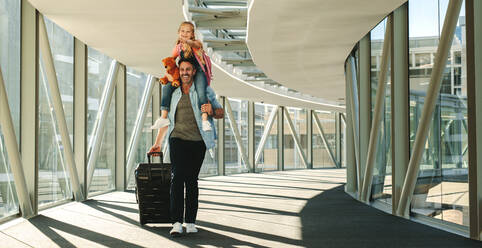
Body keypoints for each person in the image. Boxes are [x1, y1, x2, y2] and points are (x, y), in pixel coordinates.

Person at [149, 58, 224, 236]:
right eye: (182, 69)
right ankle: (176, 222)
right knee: (177, 178)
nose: (184, 72)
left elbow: (220, 112)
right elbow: (168, 121)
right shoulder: (173, 92)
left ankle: (190, 222)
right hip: (177, 139)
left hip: (198, 141)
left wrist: (212, 111)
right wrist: (157, 143)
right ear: (178, 71)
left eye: (188, 69)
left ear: (194, 71)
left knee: (191, 181)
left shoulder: (204, 91)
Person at [152, 21, 213, 131]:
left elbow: (195, 45)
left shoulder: (196, 44)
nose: (185, 33)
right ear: (178, 32)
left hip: (197, 71)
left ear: (192, 34)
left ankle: (204, 119)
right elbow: (170, 62)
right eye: (182, 31)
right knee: (167, 88)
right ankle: (164, 117)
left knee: (201, 92)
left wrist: (188, 41)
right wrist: (168, 76)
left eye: (188, 32)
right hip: (184, 72)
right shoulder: (178, 48)